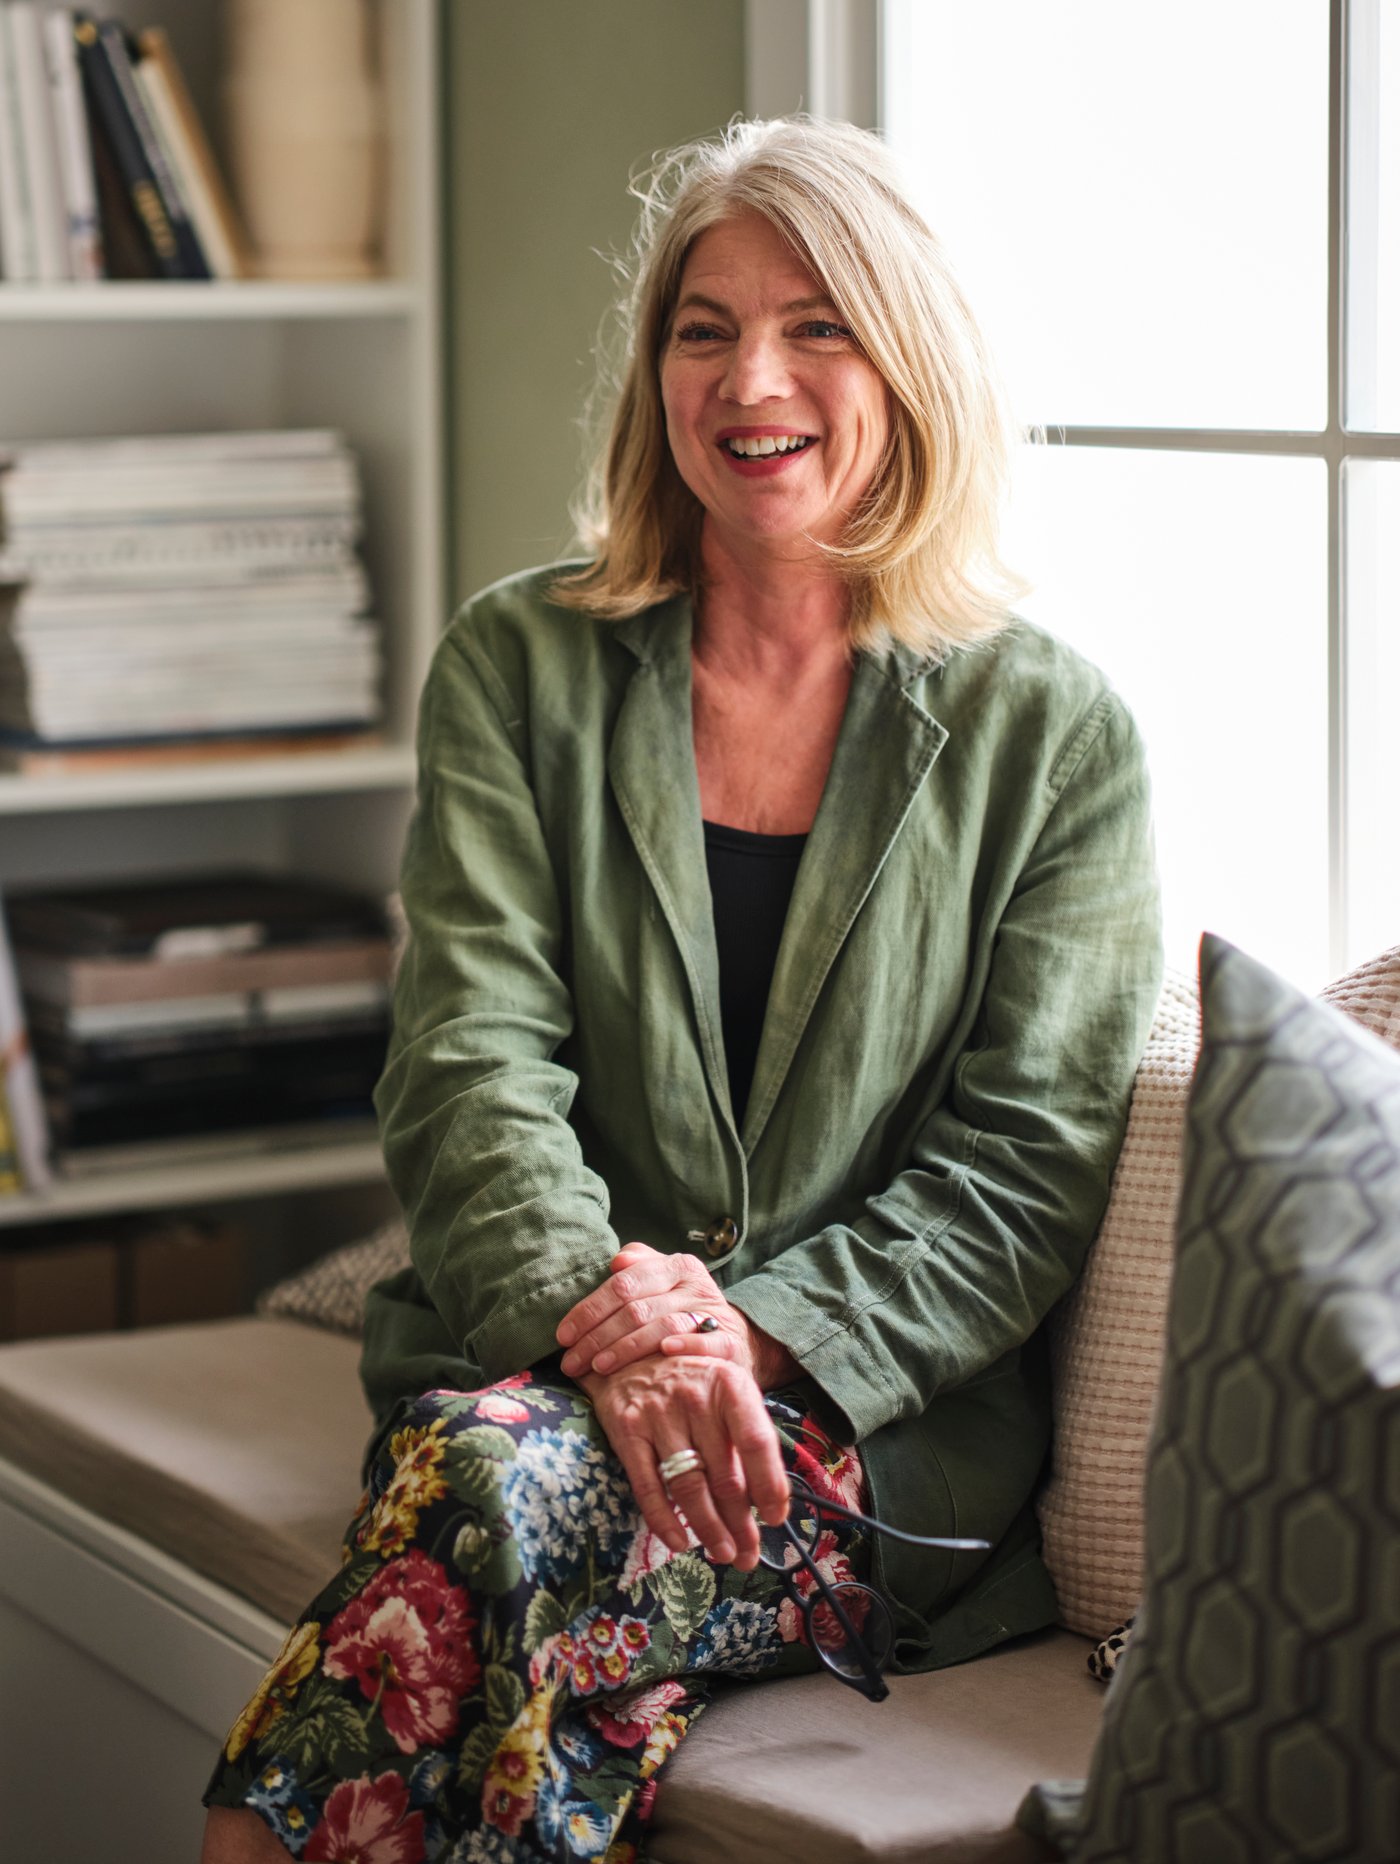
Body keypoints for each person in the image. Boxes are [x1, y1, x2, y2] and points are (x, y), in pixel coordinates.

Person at [202, 115, 1162, 1863]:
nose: (751, 376)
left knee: (484, 1499)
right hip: (540, 1363)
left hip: (867, 1437)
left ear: (910, 357)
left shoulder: (1057, 734)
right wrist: (619, 1323)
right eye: (703, 328)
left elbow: (1021, 1173)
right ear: (656, 372)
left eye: (817, 324)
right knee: (519, 1540)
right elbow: (467, 1064)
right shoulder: (521, 661)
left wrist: (744, 1332)